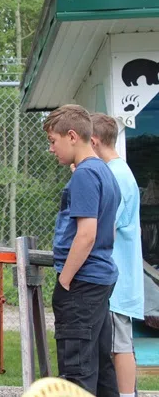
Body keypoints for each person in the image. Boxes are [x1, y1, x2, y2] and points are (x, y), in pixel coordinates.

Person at [44, 104, 119, 396]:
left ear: (72, 136)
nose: (52, 149)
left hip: (82, 283)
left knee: (76, 371)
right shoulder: (105, 171)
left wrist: (65, 281)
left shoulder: (85, 175)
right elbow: (108, 229)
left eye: (53, 141)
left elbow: (86, 235)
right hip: (99, 280)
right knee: (100, 367)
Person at [90, 113, 143, 397]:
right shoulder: (121, 171)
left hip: (116, 279)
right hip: (119, 277)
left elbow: (106, 226)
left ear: (94, 142)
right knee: (117, 342)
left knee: (118, 344)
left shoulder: (116, 176)